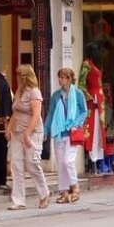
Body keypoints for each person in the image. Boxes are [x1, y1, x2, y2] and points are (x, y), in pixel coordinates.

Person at [4, 65, 51, 210]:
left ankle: (44, 193)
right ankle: (18, 200)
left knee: (32, 163)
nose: (17, 77)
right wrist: (9, 128)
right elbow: (16, 112)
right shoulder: (19, 91)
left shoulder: (34, 92)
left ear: (25, 76)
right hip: (17, 132)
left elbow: (36, 115)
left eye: (19, 75)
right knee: (16, 165)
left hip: (33, 132)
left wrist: (27, 133)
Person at [44, 67, 88, 204]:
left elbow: (84, 111)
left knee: (68, 161)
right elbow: (51, 113)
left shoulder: (78, 94)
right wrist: (45, 130)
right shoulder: (56, 95)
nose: (60, 79)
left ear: (69, 79)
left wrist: (76, 123)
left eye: (62, 77)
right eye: (59, 77)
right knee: (61, 164)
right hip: (59, 131)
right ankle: (64, 193)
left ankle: (75, 188)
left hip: (72, 132)